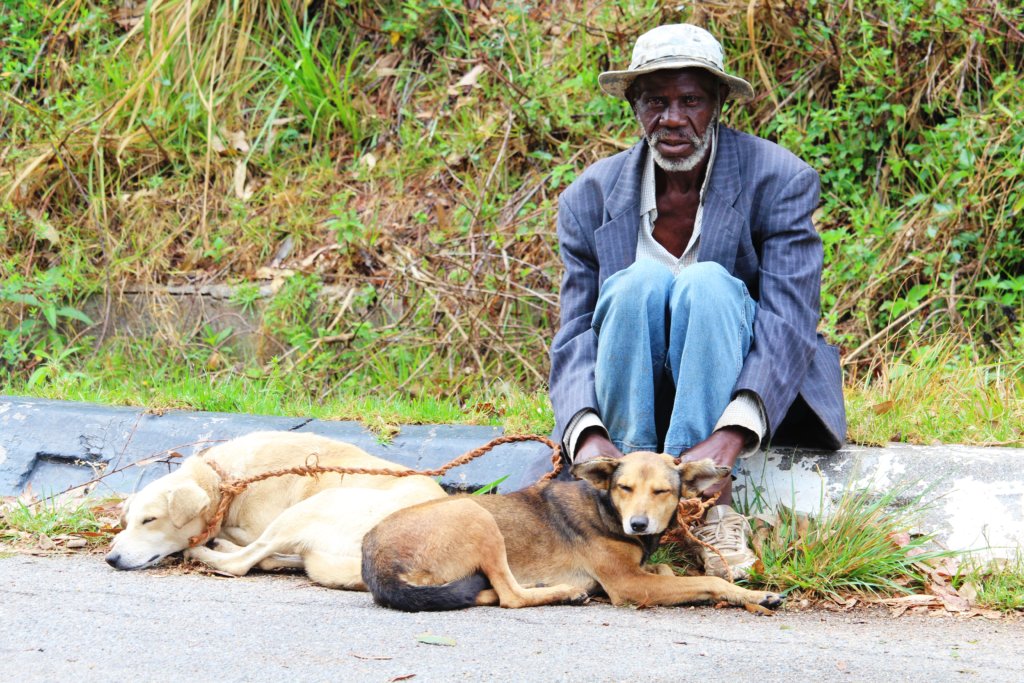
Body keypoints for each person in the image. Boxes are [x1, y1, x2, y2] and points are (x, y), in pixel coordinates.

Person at [548, 24, 846, 580]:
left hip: (735, 390)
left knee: (706, 282)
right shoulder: (589, 196)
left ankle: (706, 505)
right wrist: (589, 439)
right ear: (635, 108)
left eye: (691, 101)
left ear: (718, 106)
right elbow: (575, 330)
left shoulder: (778, 178)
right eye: (655, 101)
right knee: (637, 284)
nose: (673, 118)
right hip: (631, 405)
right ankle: (632, 492)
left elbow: (790, 318)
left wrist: (728, 439)